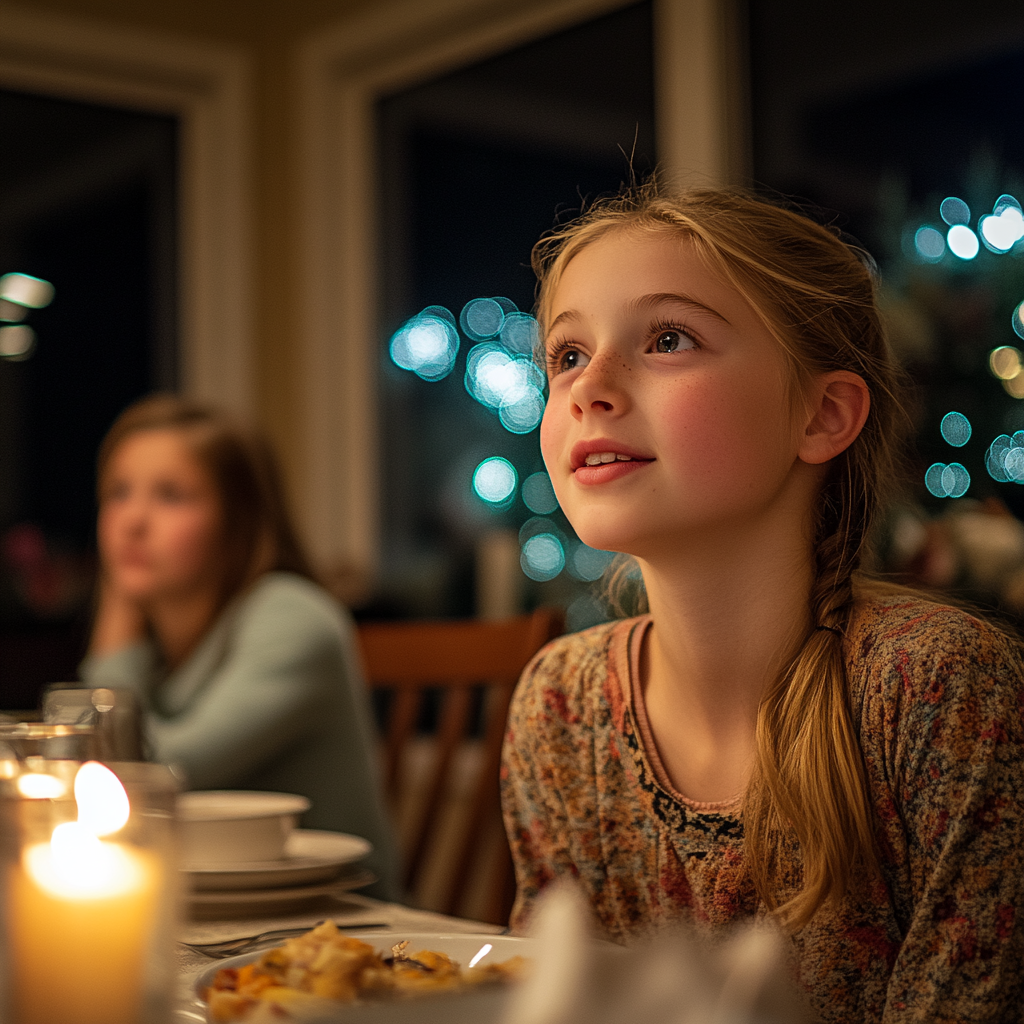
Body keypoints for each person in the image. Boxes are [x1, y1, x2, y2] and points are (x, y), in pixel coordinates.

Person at [500, 185, 1024, 1021]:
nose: (587, 388)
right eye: (565, 355)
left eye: (668, 339)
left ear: (821, 415)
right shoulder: (561, 704)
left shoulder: (939, 688)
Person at [81, 395, 398, 898]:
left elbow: (147, 777)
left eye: (171, 495)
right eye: (118, 492)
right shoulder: (160, 648)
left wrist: (115, 637)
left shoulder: (293, 617)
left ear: (238, 519)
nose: (132, 521)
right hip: (208, 916)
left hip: (339, 928)